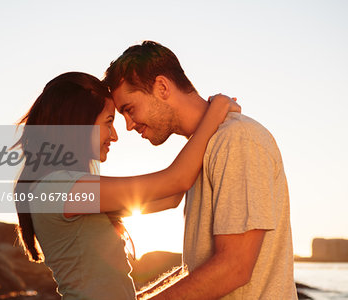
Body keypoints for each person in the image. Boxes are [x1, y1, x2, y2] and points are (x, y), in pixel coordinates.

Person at [13, 72, 240, 300]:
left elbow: (170, 197)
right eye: (108, 122)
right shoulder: (57, 187)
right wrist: (215, 111)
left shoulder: (67, 187)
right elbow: (175, 180)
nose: (114, 136)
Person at [103, 41, 297, 299]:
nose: (127, 126)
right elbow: (199, 268)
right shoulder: (202, 152)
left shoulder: (236, 139)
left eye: (129, 109)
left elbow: (234, 267)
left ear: (162, 87)